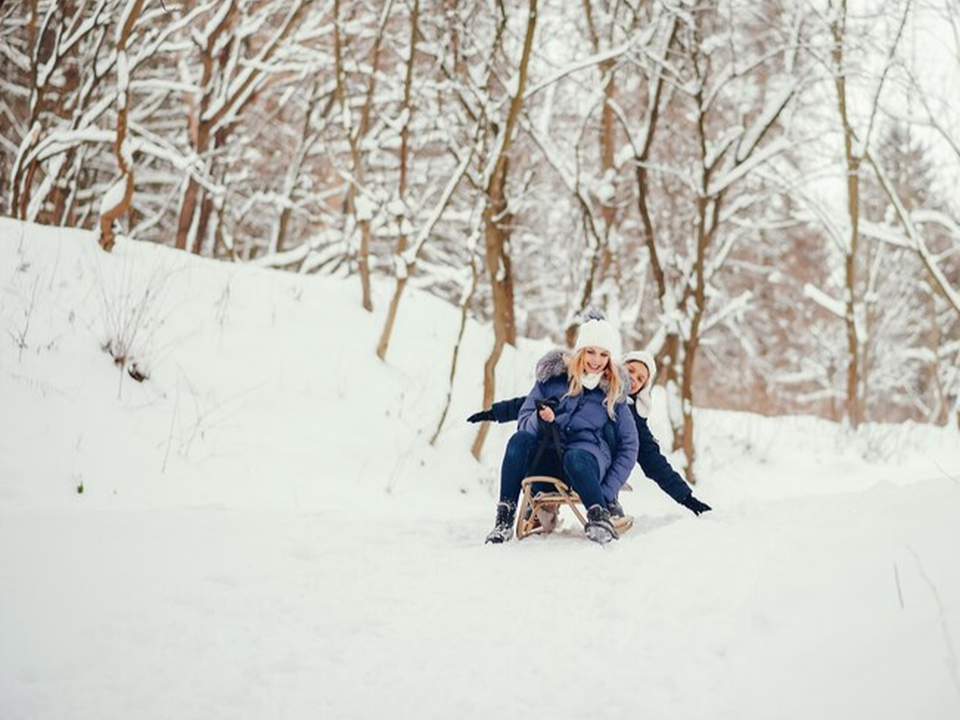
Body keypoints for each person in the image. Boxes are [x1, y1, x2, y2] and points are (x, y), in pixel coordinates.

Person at [470, 349, 712, 520]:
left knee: (590, 450)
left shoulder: (632, 416)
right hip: (568, 453)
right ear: (619, 367)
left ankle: (607, 501)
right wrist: (494, 413)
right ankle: (541, 503)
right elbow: (534, 402)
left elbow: (653, 462)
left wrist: (686, 498)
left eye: (641, 379)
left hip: (599, 467)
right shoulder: (590, 386)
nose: (635, 380)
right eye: (632, 371)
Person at [484, 314, 639, 545]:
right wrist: (541, 418)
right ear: (580, 350)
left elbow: (629, 445)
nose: (596, 360)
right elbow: (524, 419)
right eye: (591, 351)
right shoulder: (551, 380)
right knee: (519, 440)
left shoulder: (612, 392)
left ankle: (598, 515)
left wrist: (606, 491)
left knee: (576, 457)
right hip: (548, 457)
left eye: (604, 354)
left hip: (586, 463)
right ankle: (504, 519)